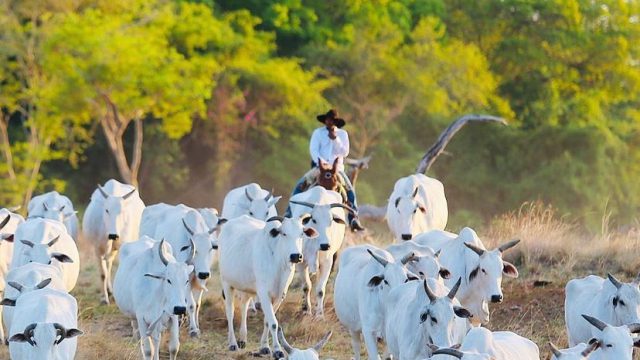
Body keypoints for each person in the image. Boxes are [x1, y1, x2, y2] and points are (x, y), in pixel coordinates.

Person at [289, 109, 365, 232]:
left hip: (337, 169)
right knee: (300, 185)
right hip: (320, 168)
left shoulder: (342, 134)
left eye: (332, 120)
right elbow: (313, 150)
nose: (329, 122)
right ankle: (289, 215)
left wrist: (335, 139)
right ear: (325, 120)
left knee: (350, 190)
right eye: (327, 120)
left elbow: (345, 152)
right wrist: (321, 162)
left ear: (336, 122)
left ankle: (353, 219)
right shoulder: (318, 133)